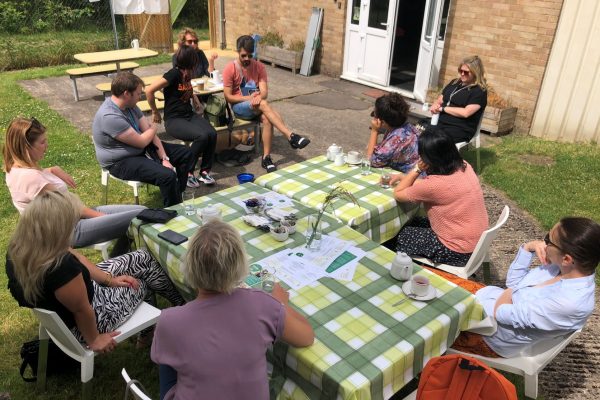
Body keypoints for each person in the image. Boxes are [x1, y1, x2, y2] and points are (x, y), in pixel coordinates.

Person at [151, 220, 314, 400]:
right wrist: (280, 305)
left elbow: (166, 361)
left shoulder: (169, 321)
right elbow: (306, 336)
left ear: (189, 264)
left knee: (169, 361)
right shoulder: (263, 305)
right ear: (240, 264)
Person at [5, 191, 185, 352]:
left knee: (143, 258)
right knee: (142, 281)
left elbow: (78, 259)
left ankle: (180, 309)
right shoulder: (60, 267)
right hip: (90, 322)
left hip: (76, 300)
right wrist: (95, 339)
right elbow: (82, 310)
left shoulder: (22, 248)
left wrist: (110, 280)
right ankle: (175, 317)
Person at [452, 217, 599, 358]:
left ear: (567, 259)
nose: (544, 243)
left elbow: (501, 313)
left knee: (430, 318)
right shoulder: (561, 269)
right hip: (485, 297)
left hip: (485, 334)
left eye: (548, 240)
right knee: (431, 279)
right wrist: (528, 249)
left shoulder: (569, 303)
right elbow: (513, 284)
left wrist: (510, 292)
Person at [3, 117, 144, 256]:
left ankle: (117, 257)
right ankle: (121, 260)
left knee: (142, 211)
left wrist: (53, 169)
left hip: (72, 219)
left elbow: (38, 180)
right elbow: (73, 209)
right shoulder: (29, 177)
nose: (47, 145)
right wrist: (103, 218)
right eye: (42, 142)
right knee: (139, 217)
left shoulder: (16, 170)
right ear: (26, 146)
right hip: (68, 231)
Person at [92, 72, 194, 207]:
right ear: (126, 94)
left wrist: (164, 158)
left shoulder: (130, 106)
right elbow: (143, 140)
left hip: (140, 149)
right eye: (138, 93)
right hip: (121, 162)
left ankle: (177, 193)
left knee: (186, 153)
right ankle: (174, 211)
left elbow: (148, 134)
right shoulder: (110, 116)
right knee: (167, 175)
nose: (140, 97)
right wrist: (155, 126)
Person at [391, 127, 488, 266]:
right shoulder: (464, 166)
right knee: (413, 220)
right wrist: (403, 177)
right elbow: (432, 188)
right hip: (477, 243)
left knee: (397, 235)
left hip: (456, 250)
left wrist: (417, 169)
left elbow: (398, 194)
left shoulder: (434, 185)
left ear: (428, 158)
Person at [223, 35, 311, 173]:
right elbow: (228, 97)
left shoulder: (259, 67)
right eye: (243, 55)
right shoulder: (230, 68)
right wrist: (248, 98)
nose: (247, 59)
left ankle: (266, 158)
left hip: (257, 106)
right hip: (240, 107)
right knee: (263, 105)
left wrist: (258, 97)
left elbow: (264, 92)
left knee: (267, 118)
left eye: (250, 56)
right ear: (237, 51)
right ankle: (291, 136)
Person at [146, 45, 218, 188]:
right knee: (202, 136)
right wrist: (155, 112)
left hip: (188, 115)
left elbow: (188, 89)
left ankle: (204, 172)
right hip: (174, 120)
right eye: (195, 58)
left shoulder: (187, 73)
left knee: (212, 133)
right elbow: (149, 90)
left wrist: (195, 100)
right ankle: (187, 172)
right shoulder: (173, 74)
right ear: (189, 60)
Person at [430, 55, 488, 143]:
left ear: (475, 72)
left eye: (466, 72)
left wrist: (443, 108)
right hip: (441, 121)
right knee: (419, 127)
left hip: (460, 127)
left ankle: (435, 155)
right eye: (461, 70)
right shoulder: (454, 82)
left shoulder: (479, 91)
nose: (462, 74)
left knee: (436, 139)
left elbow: (466, 113)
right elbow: (440, 100)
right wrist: (435, 105)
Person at [366, 93, 420, 173]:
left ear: (382, 122)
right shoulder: (407, 127)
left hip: (410, 178)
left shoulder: (396, 137)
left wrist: (374, 131)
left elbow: (371, 161)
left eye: (374, 114)